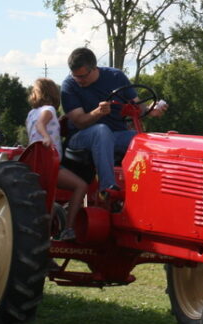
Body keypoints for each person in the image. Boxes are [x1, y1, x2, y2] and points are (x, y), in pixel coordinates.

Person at [61, 47, 166, 200]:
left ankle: (151, 191)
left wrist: (150, 110)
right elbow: (79, 122)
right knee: (101, 131)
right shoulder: (69, 86)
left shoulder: (116, 76)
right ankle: (107, 188)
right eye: (76, 76)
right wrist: (98, 112)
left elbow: (138, 107)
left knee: (142, 140)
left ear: (94, 68)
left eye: (83, 76)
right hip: (81, 138)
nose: (79, 80)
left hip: (115, 135)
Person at [26, 77, 87, 241]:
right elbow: (41, 124)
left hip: (35, 164)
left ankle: (42, 240)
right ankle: (68, 228)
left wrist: (59, 123)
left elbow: (38, 126)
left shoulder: (31, 113)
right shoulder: (49, 110)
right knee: (80, 185)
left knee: (48, 202)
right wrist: (47, 137)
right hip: (49, 164)